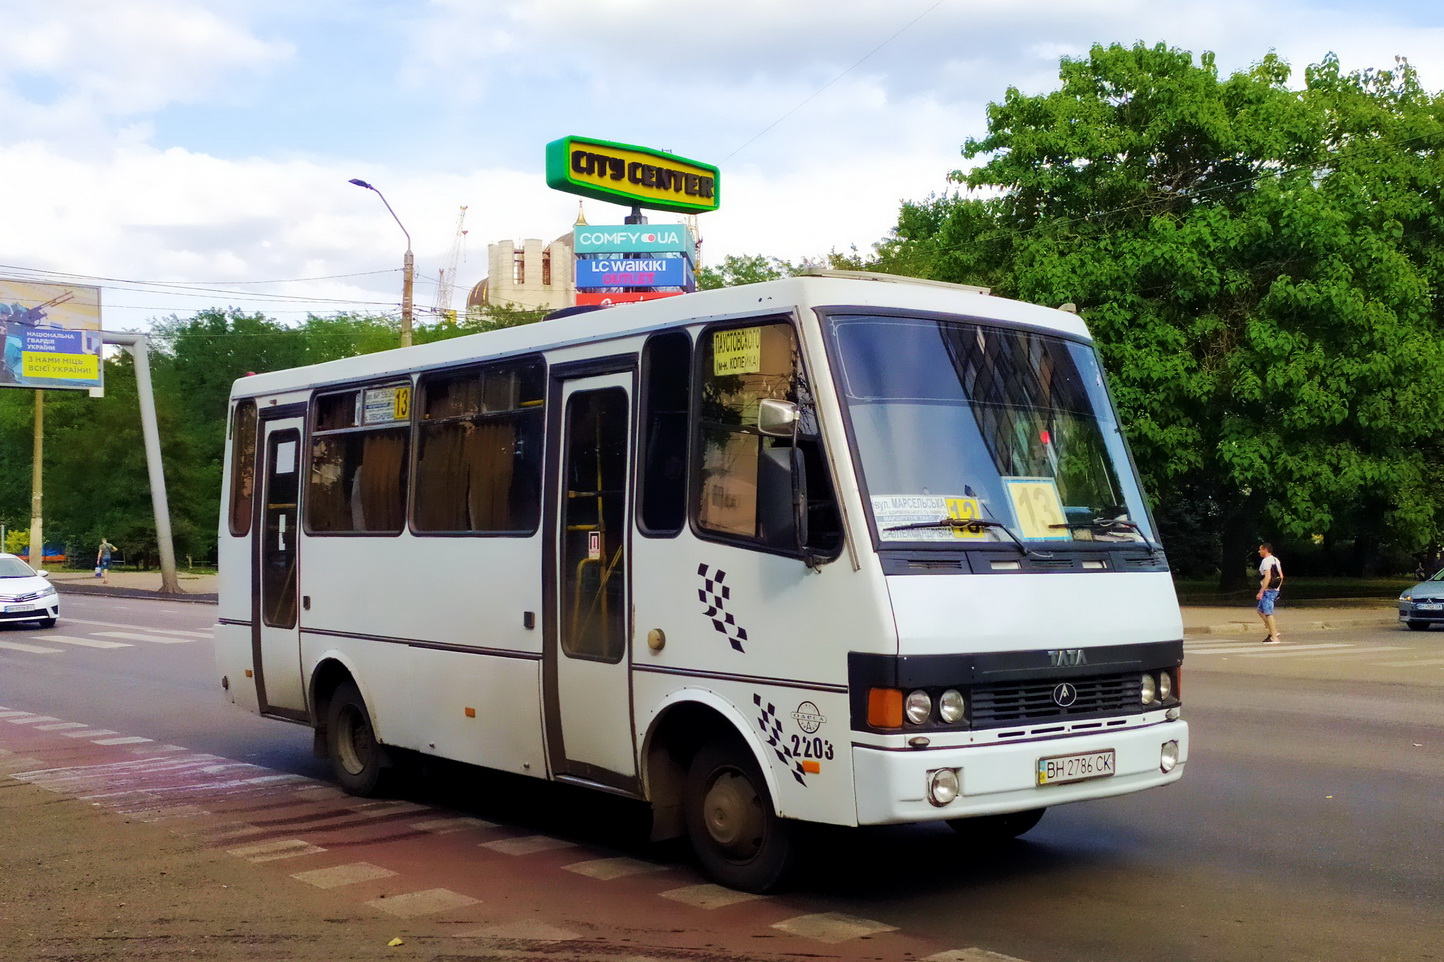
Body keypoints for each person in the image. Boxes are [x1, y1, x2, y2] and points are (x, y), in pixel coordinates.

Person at [1256, 543, 1283, 644]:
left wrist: (1262, 591)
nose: (1259, 551)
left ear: (1265, 550)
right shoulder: (1275, 560)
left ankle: (1274, 637)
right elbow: (1281, 576)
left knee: (1268, 613)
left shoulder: (1266, 561)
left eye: (1260, 549)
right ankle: (1273, 631)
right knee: (1260, 611)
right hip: (1273, 589)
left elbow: (1267, 577)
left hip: (1268, 590)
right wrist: (1278, 588)